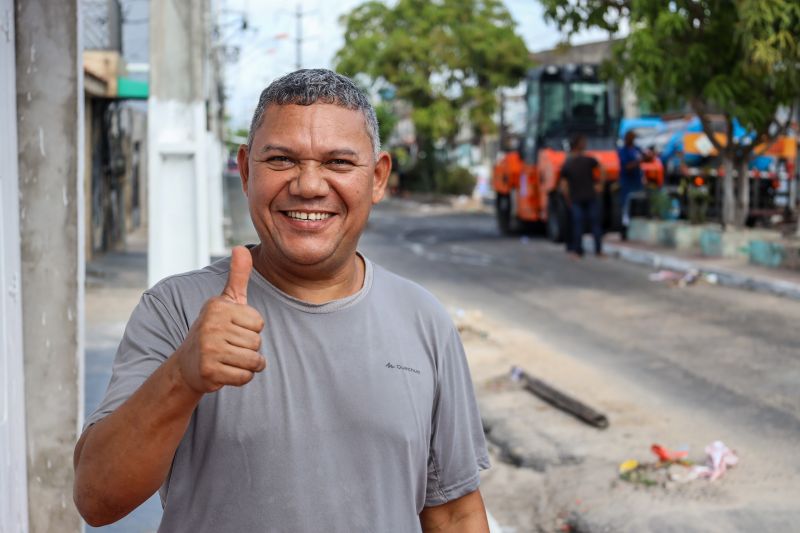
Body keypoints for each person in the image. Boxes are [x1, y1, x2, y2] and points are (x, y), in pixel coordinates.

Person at [73, 69, 490, 533]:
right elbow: (97, 498)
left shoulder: (423, 320)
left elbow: (454, 514)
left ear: (377, 177)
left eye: (338, 162)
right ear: (246, 170)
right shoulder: (176, 309)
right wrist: (182, 376)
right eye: (281, 160)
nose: (309, 185)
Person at [559, 133, 604, 258]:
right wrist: (600, 185)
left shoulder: (578, 161)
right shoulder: (575, 162)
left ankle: (586, 251)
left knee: (584, 224)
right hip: (581, 198)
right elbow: (564, 184)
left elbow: (563, 185)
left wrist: (600, 184)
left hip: (584, 198)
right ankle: (586, 250)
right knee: (584, 225)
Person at [617, 130, 646, 239]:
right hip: (627, 182)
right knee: (626, 206)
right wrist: (639, 162)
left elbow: (645, 158)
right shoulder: (623, 151)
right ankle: (624, 230)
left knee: (638, 205)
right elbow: (626, 166)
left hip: (637, 181)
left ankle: (636, 229)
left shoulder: (637, 149)